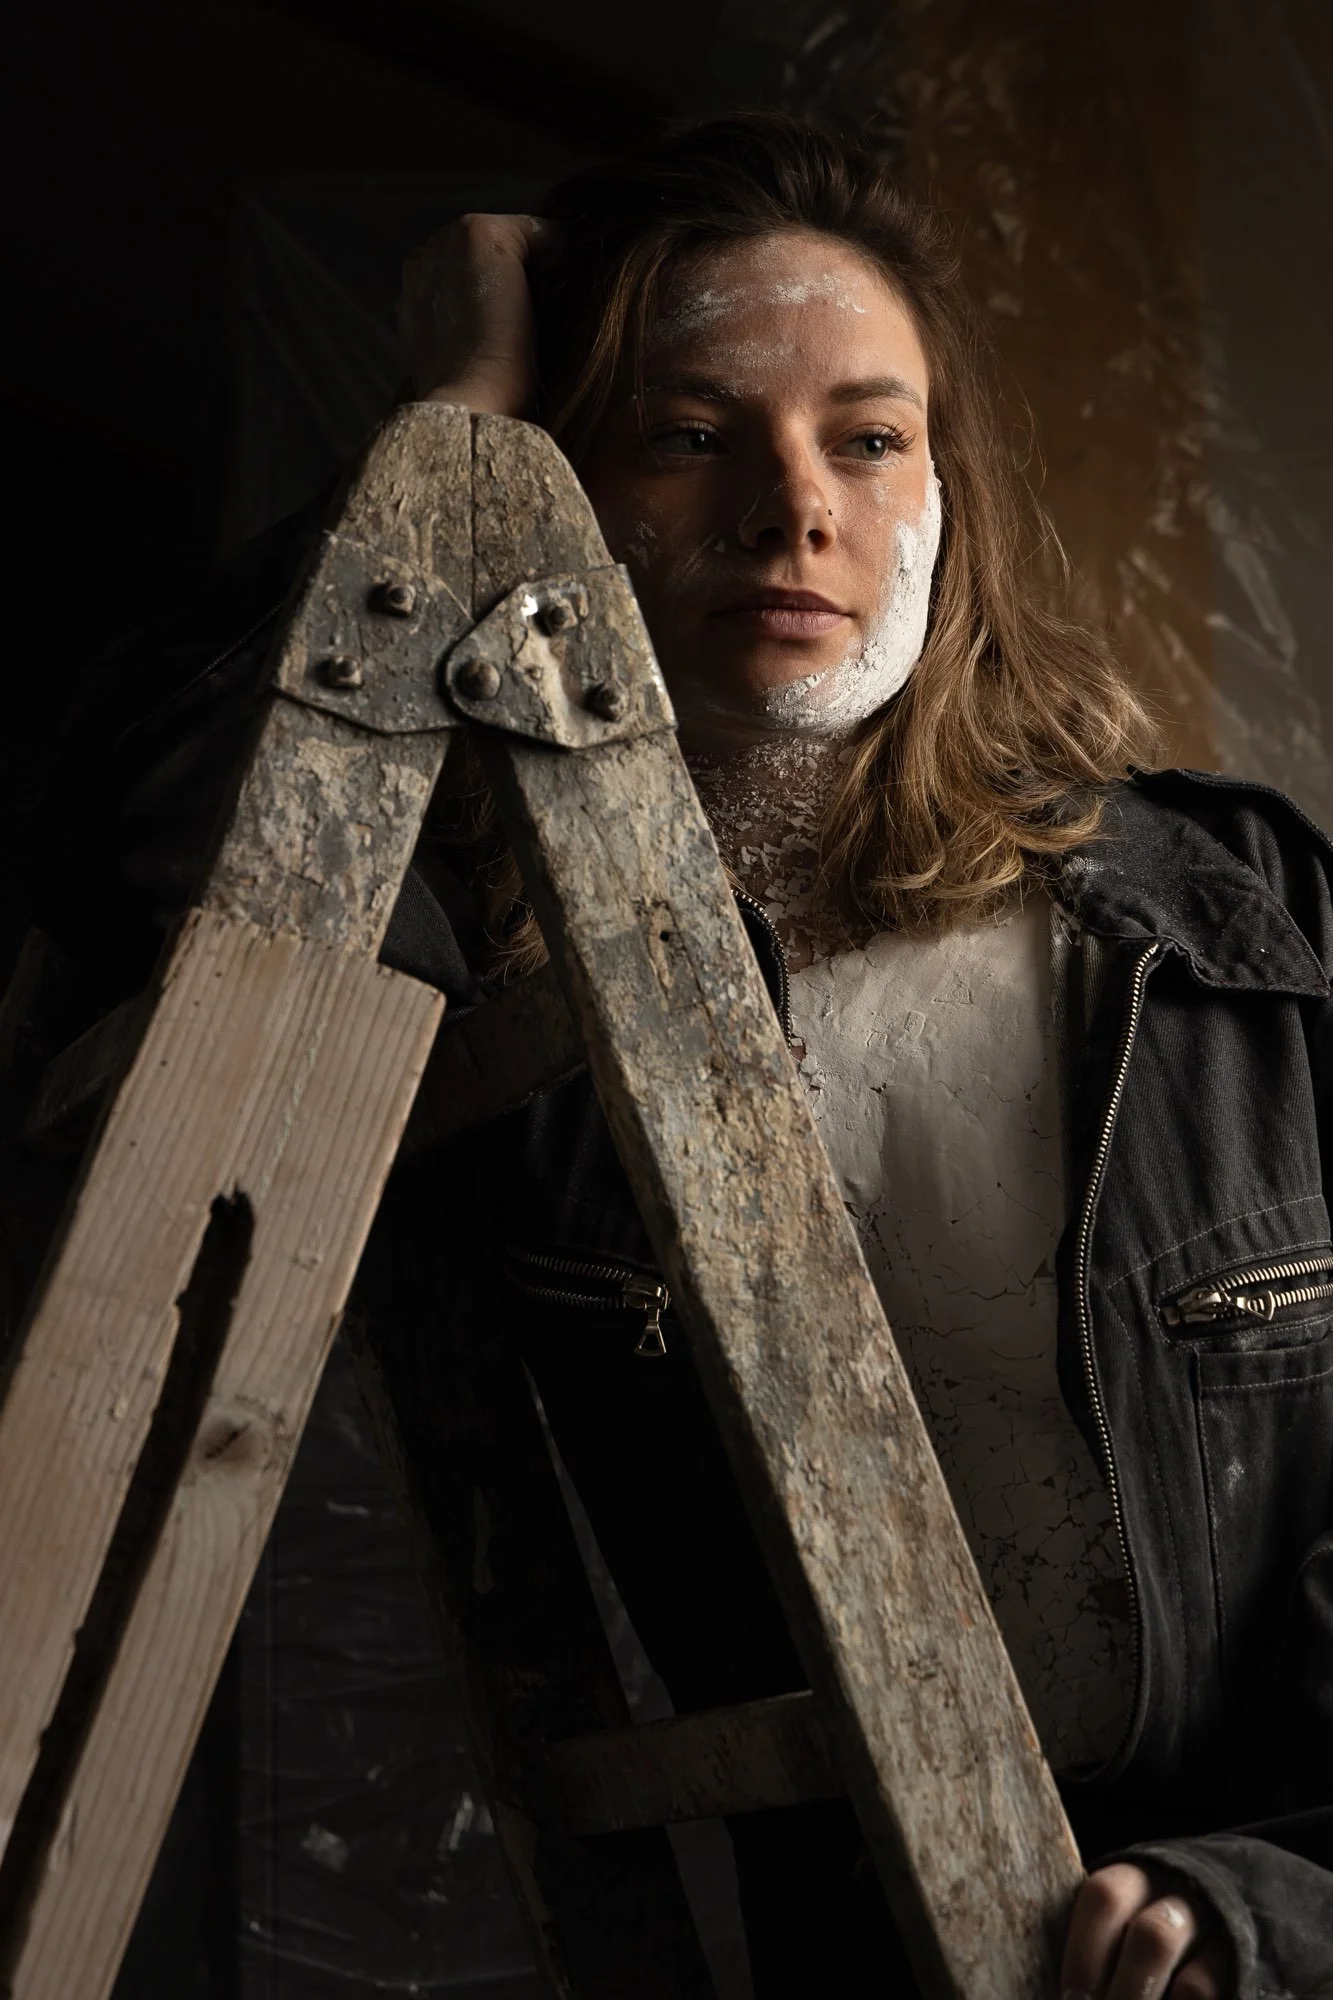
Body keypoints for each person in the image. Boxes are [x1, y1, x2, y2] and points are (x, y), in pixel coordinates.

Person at [37, 114, 1333, 1997]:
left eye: (867, 439)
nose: (793, 508)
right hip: (852, 1939)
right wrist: (452, 437)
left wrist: (1277, 1902)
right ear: (569, 495)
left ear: (948, 495)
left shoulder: (1237, 925)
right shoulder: (510, 978)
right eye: (688, 434)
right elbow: (143, 844)